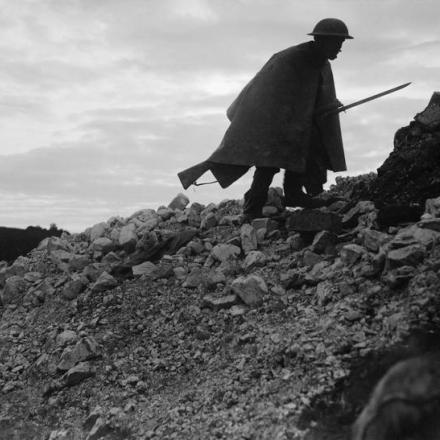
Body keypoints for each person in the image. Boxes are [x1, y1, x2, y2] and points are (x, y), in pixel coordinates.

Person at [178, 18, 352, 221]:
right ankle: (252, 208)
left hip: (297, 123)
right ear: (322, 40)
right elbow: (272, 92)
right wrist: (293, 117)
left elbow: (311, 95)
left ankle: (294, 194)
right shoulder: (290, 59)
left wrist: (328, 104)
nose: (340, 49)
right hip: (273, 121)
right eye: (337, 43)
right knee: (268, 162)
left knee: (305, 149)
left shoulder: (321, 64)